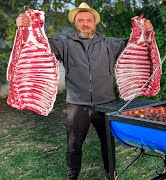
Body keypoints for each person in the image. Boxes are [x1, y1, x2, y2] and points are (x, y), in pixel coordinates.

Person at [16, 2, 153, 180]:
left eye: (89, 20)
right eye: (81, 20)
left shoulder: (109, 43)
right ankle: (72, 178)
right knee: (74, 146)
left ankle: (111, 176)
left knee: (108, 145)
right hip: (77, 105)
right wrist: (26, 28)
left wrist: (146, 31)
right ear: (75, 22)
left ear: (95, 22)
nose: (85, 23)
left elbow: (134, 44)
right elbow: (40, 44)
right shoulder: (64, 43)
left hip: (106, 104)